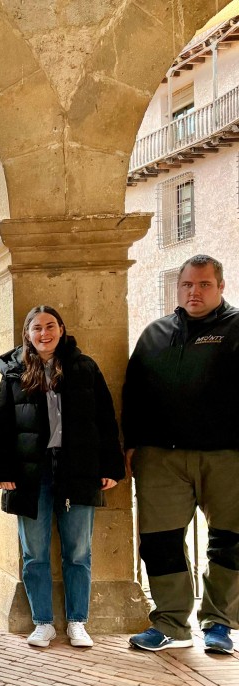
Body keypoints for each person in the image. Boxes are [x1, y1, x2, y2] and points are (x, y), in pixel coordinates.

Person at [0, 306, 123, 649]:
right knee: (34, 552)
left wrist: (110, 466)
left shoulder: (84, 368)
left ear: (61, 329)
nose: (44, 333)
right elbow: (0, 426)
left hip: (77, 470)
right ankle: (43, 623)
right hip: (30, 473)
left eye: (50, 326)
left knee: (78, 551)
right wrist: (2, 472)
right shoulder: (15, 373)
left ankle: (77, 622)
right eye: (37, 328)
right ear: (27, 334)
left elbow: (105, 420)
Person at [124, 254, 239, 653]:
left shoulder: (237, 328)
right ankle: (172, 622)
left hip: (227, 455)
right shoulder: (155, 334)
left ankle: (219, 622)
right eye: (188, 284)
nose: (195, 292)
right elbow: (133, 394)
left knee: (229, 540)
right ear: (179, 288)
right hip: (161, 458)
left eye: (204, 284)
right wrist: (131, 444)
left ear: (221, 287)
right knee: (159, 541)